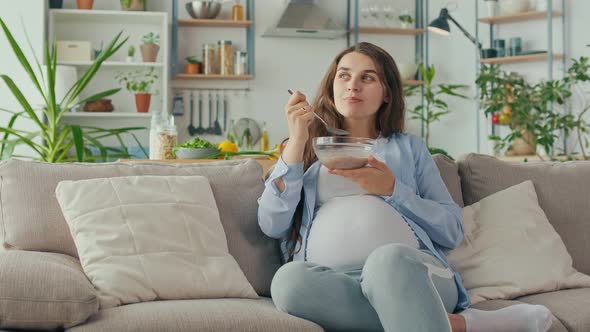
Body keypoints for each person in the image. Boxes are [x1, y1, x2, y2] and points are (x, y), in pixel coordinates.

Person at [257, 42, 553, 332]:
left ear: (387, 92)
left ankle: (424, 313)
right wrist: (296, 142)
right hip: (334, 283)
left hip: (414, 275)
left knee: (386, 260)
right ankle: (460, 325)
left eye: (367, 77)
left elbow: (451, 230)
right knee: (287, 282)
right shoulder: (304, 149)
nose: (353, 85)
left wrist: (393, 190)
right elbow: (272, 224)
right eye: (344, 75)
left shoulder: (408, 149)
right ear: (332, 85)